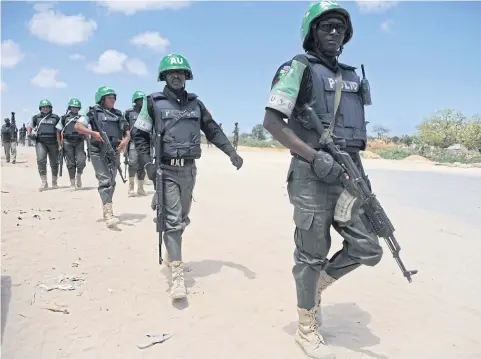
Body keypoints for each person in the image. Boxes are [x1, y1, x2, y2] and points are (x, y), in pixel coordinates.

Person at [262, 2, 383, 358]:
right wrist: (314, 157)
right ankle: (306, 324)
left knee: (370, 247)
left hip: (350, 172)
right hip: (311, 173)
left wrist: (361, 176)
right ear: (312, 32)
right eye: (326, 27)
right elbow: (272, 123)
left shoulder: (352, 75)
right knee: (310, 254)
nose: (334, 33)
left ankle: (315, 289)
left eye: (339, 28)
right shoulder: (298, 68)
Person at [132, 53, 244, 300]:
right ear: (164, 76)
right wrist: (148, 164)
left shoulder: (196, 104)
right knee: (173, 220)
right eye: (171, 73)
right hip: (165, 169)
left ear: (187, 77)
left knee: (181, 218)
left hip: (189, 170)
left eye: (181, 73)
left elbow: (212, 130)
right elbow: (139, 137)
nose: (176, 76)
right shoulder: (152, 102)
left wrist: (231, 153)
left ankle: (173, 255)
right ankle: (177, 275)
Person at [75, 87, 130, 228]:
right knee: (105, 180)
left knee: (112, 180)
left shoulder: (118, 114)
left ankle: (107, 206)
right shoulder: (92, 111)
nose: (113, 100)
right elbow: (78, 126)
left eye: (114, 97)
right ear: (102, 99)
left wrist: (125, 141)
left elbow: (127, 132)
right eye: (109, 97)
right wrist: (92, 133)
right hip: (97, 150)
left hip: (114, 150)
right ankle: (108, 213)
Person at [28, 99, 61, 191]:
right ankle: (44, 182)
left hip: (53, 142)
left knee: (54, 162)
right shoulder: (36, 117)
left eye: (47, 107)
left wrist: (60, 144)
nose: (45, 108)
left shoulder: (56, 118)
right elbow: (29, 126)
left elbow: (60, 130)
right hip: (40, 142)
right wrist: (29, 134)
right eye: (43, 107)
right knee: (41, 160)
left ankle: (54, 181)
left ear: (50, 108)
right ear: (40, 108)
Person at [56, 98, 87, 188]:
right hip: (67, 142)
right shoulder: (64, 118)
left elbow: (86, 131)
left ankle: (79, 175)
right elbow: (58, 131)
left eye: (77, 107)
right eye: (73, 107)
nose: (75, 109)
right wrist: (59, 145)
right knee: (70, 163)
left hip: (79, 141)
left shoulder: (82, 118)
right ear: (70, 107)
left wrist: (88, 145)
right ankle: (72, 182)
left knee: (81, 161)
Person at [124, 90, 147, 197]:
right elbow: (124, 127)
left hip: (145, 142)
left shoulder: (147, 112)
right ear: (135, 101)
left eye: (143, 99)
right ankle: (131, 188)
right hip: (133, 141)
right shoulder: (129, 112)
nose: (142, 102)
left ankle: (141, 188)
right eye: (140, 100)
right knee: (132, 163)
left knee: (142, 164)